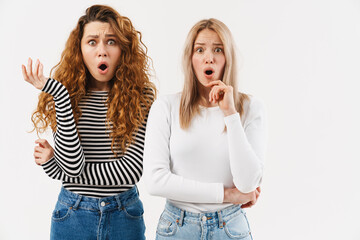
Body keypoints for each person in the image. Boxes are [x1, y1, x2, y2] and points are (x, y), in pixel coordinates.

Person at [22, 5, 155, 240]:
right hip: (73, 215)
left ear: (123, 49)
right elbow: (72, 165)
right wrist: (60, 94)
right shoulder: (65, 99)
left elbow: (130, 172)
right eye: (92, 42)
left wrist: (58, 167)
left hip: (124, 215)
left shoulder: (140, 96)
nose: (102, 51)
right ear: (80, 49)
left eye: (111, 41)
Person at [143, 18, 266, 240]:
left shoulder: (249, 108)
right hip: (177, 228)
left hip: (230, 228)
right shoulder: (166, 107)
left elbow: (248, 183)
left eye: (217, 49)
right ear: (190, 59)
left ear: (227, 58)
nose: (208, 57)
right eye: (200, 50)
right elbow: (155, 180)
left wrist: (230, 114)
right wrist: (226, 194)